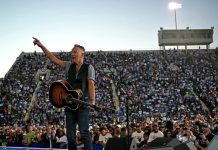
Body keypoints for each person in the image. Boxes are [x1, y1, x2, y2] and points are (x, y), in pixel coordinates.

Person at [33, 37, 95, 150]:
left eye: (75, 51)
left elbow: (91, 84)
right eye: (71, 52)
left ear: (82, 54)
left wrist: (92, 101)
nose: (72, 53)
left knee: (84, 133)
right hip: (69, 106)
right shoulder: (68, 65)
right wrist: (41, 46)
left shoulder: (89, 67)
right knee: (70, 136)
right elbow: (53, 58)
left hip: (82, 105)